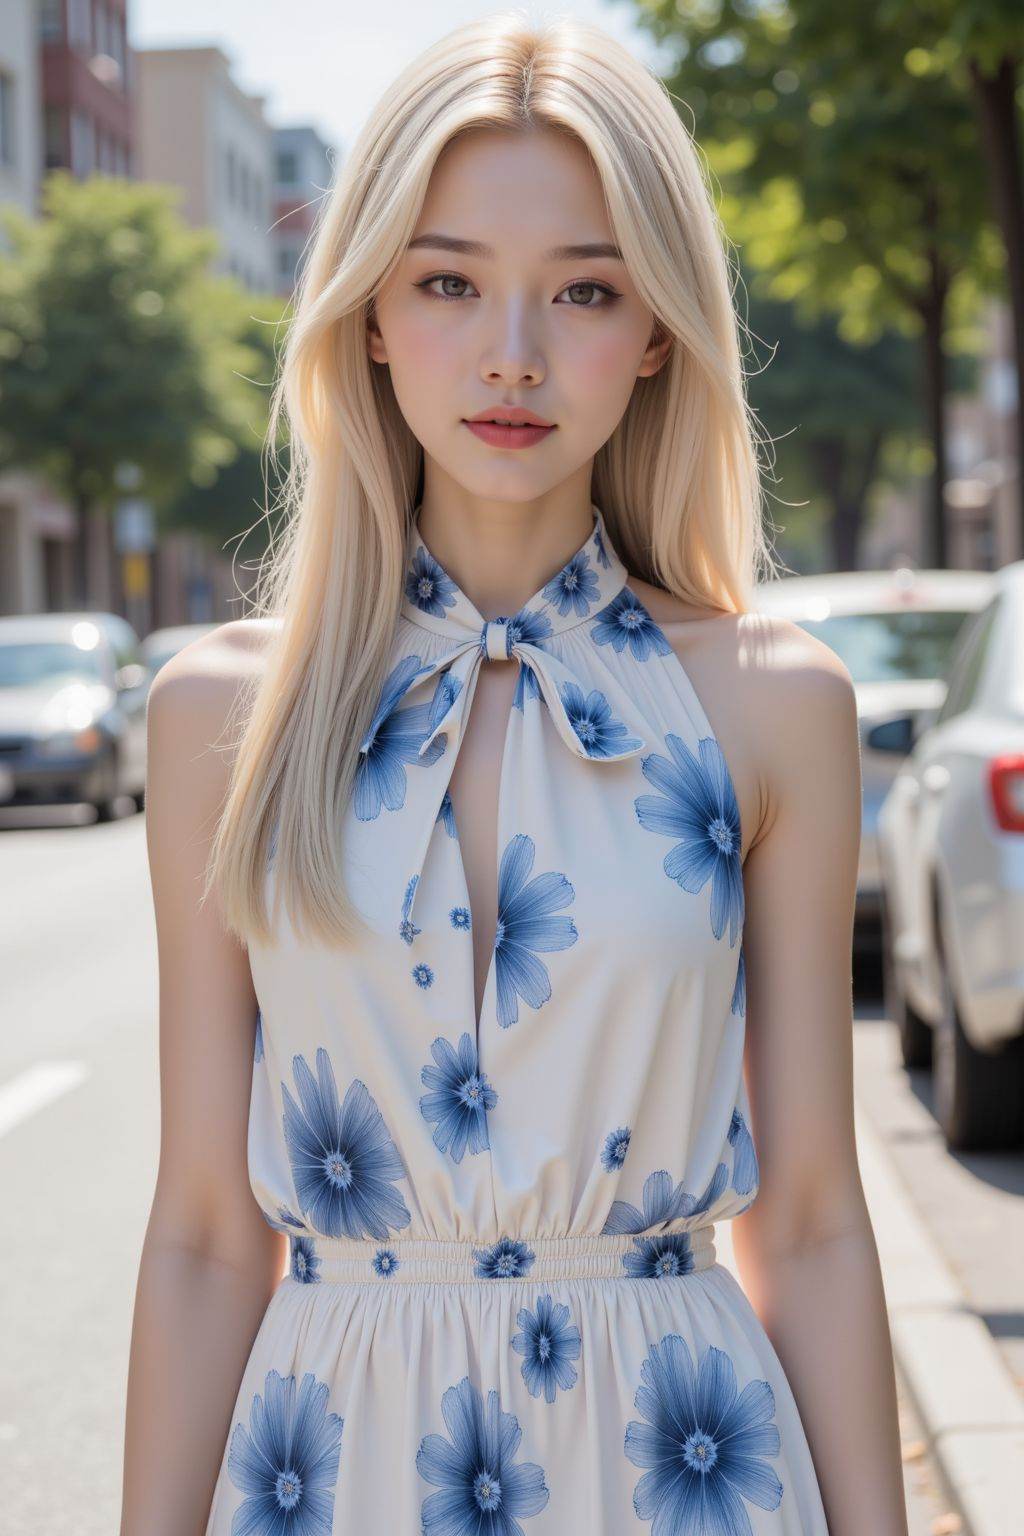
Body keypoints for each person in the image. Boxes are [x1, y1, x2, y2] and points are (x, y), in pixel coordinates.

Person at [120, 12, 909, 1535]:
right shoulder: (226, 715)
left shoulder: (770, 704)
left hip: (681, 1462)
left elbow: (812, 1219)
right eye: (449, 281)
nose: (513, 354)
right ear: (367, 313)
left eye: (587, 290)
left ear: (659, 329)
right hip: (332, 1461)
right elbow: (208, 1234)